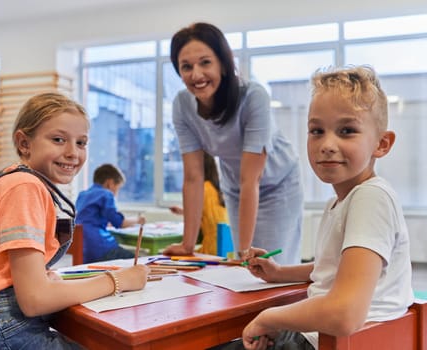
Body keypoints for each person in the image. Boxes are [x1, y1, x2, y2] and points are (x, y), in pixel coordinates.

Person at [218, 65, 414, 350]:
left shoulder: (371, 198)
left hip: (333, 341)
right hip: (323, 337)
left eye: (347, 131)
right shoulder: (341, 201)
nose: (327, 144)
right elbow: (334, 268)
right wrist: (279, 272)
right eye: (316, 131)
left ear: (381, 144)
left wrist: (270, 318)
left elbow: (345, 314)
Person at [0, 92, 149, 349]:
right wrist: (119, 281)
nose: (72, 153)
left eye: (81, 143)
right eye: (58, 140)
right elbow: (35, 299)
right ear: (24, 143)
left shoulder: (17, 181)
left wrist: (44, 278)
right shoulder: (24, 186)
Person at [163, 22, 304, 264]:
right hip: (235, 184)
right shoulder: (182, 105)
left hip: (278, 182)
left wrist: (245, 252)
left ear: (223, 64)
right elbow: (194, 178)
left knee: (269, 264)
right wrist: (187, 244)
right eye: (186, 67)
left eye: (205, 62)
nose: (196, 75)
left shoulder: (253, 96)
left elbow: (252, 179)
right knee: (246, 265)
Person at [75, 163, 146, 263]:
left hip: (82, 248)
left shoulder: (83, 194)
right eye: (118, 188)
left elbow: (88, 217)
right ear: (110, 183)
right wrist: (138, 220)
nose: (117, 192)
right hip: (99, 247)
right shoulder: (106, 194)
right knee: (138, 261)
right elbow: (119, 222)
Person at [168, 152, 229, 255]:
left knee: (172, 252)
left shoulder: (202, 189)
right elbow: (207, 213)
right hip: (226, 245)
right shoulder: (216, 188)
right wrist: (183, 211)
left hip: (212, 248)